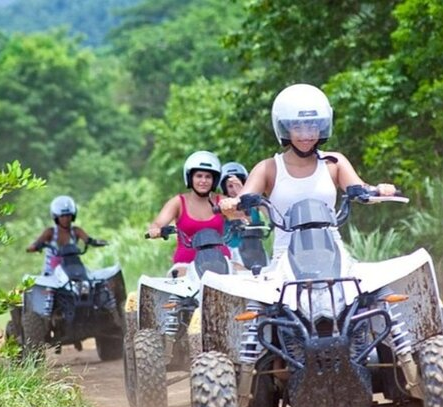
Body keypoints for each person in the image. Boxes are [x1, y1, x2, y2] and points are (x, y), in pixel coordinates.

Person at [219, 83, 396, 261]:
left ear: (322, 127)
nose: (306, 134)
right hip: (285, 260)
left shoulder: (334, 163)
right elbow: (241, 202)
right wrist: (231, 205)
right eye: (298, 127)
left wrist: (380, 190)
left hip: (334, 254)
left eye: (313, 126)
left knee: (380, 286)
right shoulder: (268, 168)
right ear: (285, 128)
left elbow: (361, 189)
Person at [147, 151, 230, 269]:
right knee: (176, 281)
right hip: (185, 265)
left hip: (221, 262)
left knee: (246, 275)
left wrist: (239, 195)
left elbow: (243, 217)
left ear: (214, 180)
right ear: (190, 178)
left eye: (208, 177)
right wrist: (155, 230)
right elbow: (158, 223)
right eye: (199, 176)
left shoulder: (222, 201)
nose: (203, 181)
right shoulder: (178, 202)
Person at [27, 195, 92, 275]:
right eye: (62, 216)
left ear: (73, 216)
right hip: (52, 271)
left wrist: (95, 242)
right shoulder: (50, 232)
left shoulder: (76, 231)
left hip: (74, 267)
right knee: (49, 288)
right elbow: (35, 244)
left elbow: (88, 239)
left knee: (90, 281)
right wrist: (35, 247)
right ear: (56, 217)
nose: (66, 219)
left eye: (68, 215)